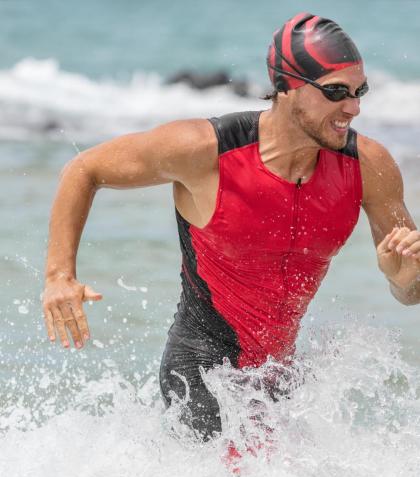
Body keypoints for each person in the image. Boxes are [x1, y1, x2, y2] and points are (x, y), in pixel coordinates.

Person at [43, 13, 420, 443]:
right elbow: (84, 169)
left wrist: (404, 278)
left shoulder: (369, 167)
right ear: (286, 85)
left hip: (279, 379)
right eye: (336, 92)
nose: (352, 107)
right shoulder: (206, 150)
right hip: (203, 372)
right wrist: (59, 276)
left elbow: (411, 292)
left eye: (359, 92)